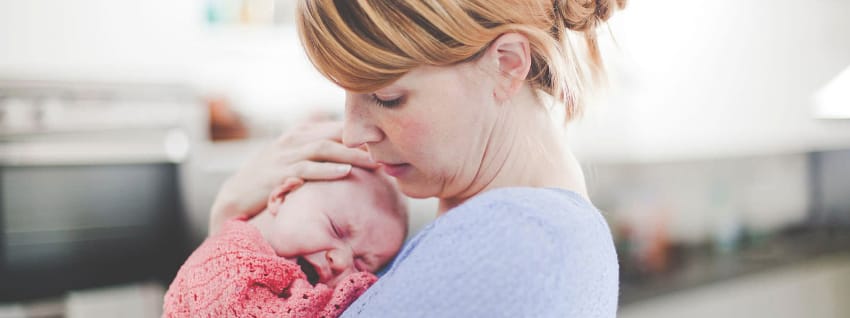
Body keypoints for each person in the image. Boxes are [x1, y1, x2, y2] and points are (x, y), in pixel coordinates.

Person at [210, 0, 625, 316]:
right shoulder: (498, 231)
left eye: (387, 98)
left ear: (507, 63)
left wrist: (225, 237)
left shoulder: (519, 242)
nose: (354, 133)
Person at [165, 168, 408, 317]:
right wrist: (355, 289)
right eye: (336, 229)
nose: (342, 260)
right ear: (282, 195)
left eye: (361, 264)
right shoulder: (228, 262)